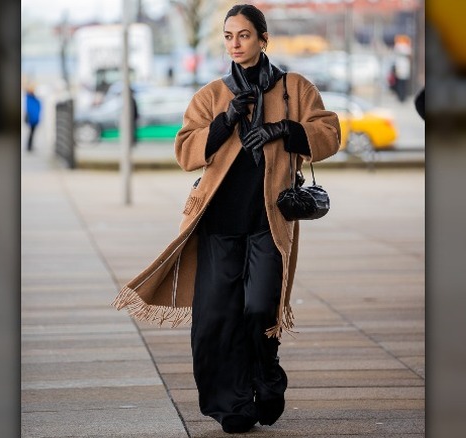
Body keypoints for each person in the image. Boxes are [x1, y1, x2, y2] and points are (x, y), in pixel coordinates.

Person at [112, 4, 340, 434]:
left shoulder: (295, 87)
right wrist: (226, 120)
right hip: (217, 224)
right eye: (229, 36)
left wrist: (284, 130)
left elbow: (329, 133)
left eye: (244, 36)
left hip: (268, 222)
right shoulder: (212, 94)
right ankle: (232, 405)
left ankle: (266, 377)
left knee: (259, 309)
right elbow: (184, 151)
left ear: (263, 38)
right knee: (216, 320)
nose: (236, 44)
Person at [24, 85, 41, 152]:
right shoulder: (30, 98)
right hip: (32, 118)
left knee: (32, 133)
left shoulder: (32, 97)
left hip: (34, 118)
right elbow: (31, 109)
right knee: (31, 133)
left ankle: (30, 146)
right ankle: (29, 146)